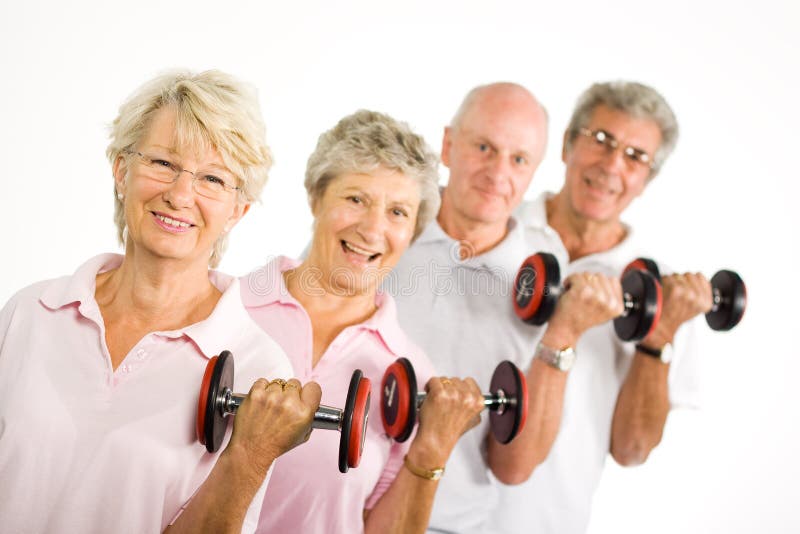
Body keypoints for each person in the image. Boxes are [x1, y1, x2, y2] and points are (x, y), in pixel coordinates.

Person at [0, 70, 320, 534]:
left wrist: (248, 458)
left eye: (212, 178)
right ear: (120, 170)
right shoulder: (31, 312)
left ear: (238, 210)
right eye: (164, 164)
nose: (180, 195)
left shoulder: (259, 365)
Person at [389, 81, 708, 534]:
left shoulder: (658, 291)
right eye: (601, 140)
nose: (612, 164)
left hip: (544, 519)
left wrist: (658, 339)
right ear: (566, 145)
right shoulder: (496, 231)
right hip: (431, 506)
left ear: (648, 178)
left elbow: (632, 450)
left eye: (635, 156)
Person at [240, 109, 486, 534]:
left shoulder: (408, 372)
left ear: (413, 230)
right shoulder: (228, 306)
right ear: (316, 197)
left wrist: (433, 449)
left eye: (398, 212)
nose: (373, 229)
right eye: (356, 199)